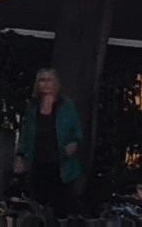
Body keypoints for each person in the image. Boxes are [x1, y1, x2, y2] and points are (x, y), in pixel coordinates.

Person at [17, 67, 88, 214]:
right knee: (38, 208)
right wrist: (19, 156)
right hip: (38, 165)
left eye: (49, 80)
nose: (46, 84)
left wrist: (73, 144)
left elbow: (77, 131)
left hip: (61, 166)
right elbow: (26, 136)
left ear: (55, 83)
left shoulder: (66, 106)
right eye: (42, 80)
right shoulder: (32, 108)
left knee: (61, 208)